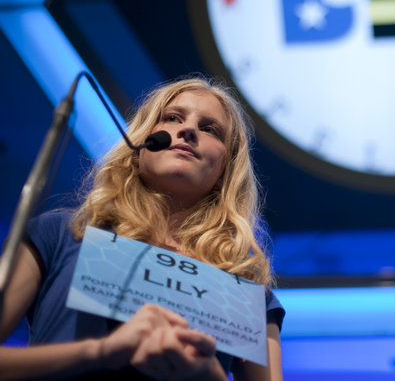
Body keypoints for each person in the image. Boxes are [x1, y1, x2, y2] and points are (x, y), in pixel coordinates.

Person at [0, 76, 284, 380]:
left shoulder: (241, 282)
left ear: (224, 170)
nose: (187, 130)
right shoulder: (62, 233)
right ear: (140, 146)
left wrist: (212, 376)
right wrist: (101, 352)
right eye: (172, 118)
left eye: (209, 129)